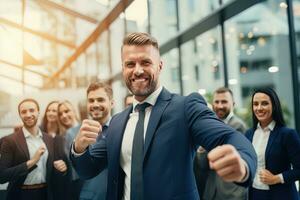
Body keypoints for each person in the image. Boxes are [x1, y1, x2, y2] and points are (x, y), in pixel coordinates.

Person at [71, 32, 257, 200]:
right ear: (123, 69)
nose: (137, 70)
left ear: (160, 66)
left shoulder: (186, 107)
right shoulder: (118, 122)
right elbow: (88, 168)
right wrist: (79, 148)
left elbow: (229, 137)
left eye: (145, 62)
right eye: (130, 64)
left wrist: (243, 165)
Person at [0, 98, 67, 200]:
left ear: (38, 112)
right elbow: (2, 176)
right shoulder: (10, 140)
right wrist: (32, 162)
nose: (28, 114)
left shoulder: (49, 139)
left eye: (32, 110)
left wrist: (62, 168)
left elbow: (52, 171)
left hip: (46, 194)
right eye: (23, 112)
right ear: (20, 115)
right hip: (20, 195)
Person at [245, 88, 300, 200]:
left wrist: (276, 178)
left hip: (281, 195)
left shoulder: (287, 134)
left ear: (274, 106)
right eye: (255, 104)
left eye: (264, 103)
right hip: (255, 195)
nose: (259, 108)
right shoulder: (249, 134)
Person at [195, 87, 248, 200]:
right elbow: (203, 164)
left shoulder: (238, 126)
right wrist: (201, 149)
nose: (220, 106)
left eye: (224, 102)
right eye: (217, 102)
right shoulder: (210, 125)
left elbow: (221, 159)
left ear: (233, 104)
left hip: (232, 194)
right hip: (211, 193)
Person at [78, 81, 114, 200]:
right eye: (91, 100)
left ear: (112, 103)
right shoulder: (78, 134)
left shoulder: (121, 130)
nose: (95, 104)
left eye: (100, 100)